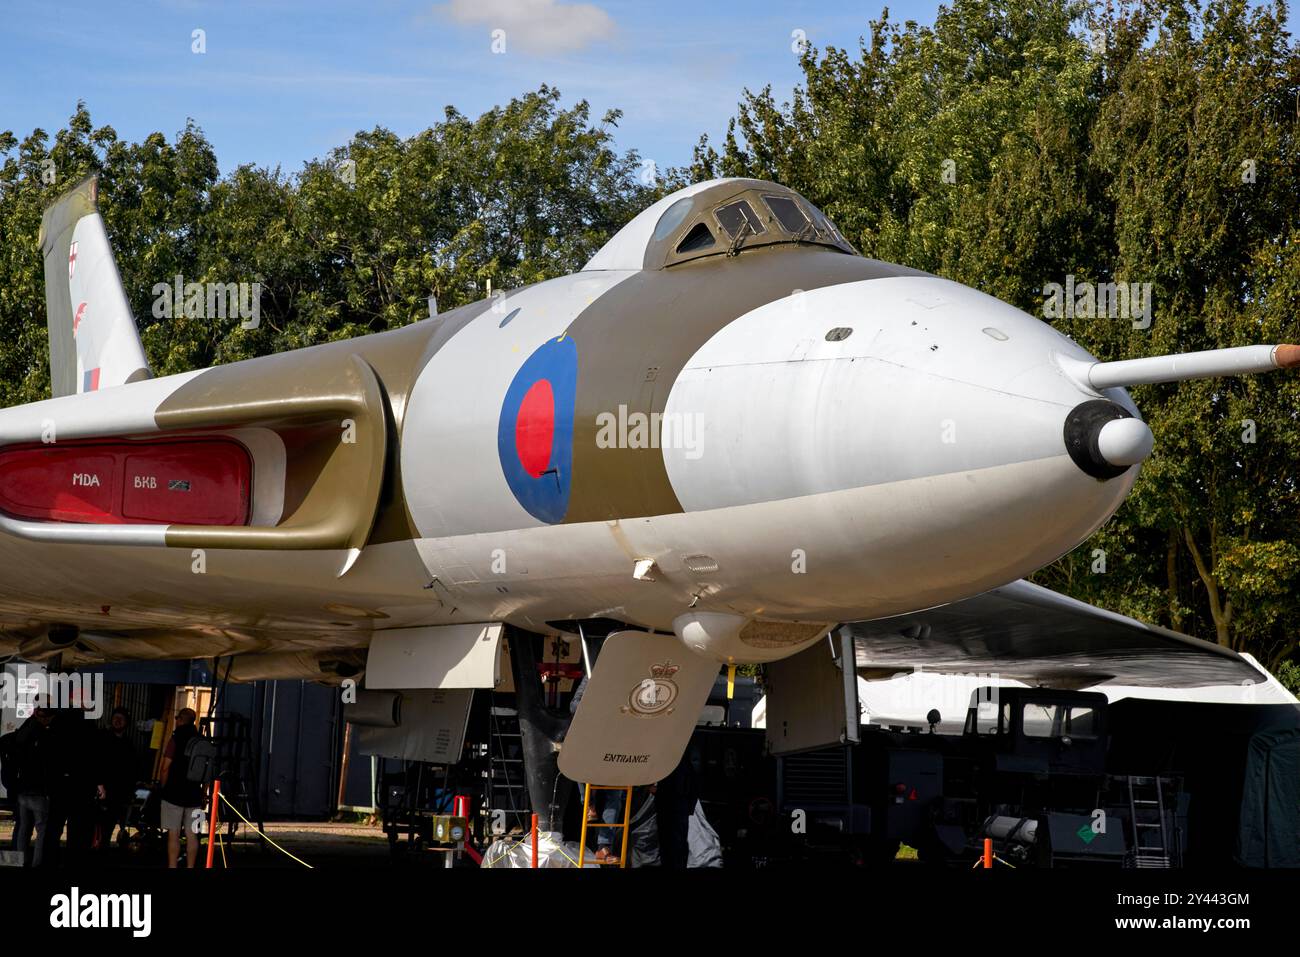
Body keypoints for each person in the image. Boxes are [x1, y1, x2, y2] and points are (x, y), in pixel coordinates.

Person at [44, 694, 105, 867]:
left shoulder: (56, 722)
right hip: (81, 785)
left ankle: (49, 862)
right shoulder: (88, 725)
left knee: (54, 827)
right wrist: (99, 782)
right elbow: (93, 758)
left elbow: (49, 756)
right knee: (78, 829)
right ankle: (73, 863)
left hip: (59, 783)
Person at [158, 708, 206, 868]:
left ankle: (173, 866)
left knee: (174, 834)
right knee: (193, 836)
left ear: (180, 720)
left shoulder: (175, 738)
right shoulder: (202, 740)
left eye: (177, 717)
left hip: (173, 794)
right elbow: (207, 771)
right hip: (194, 795)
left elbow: (165, 766)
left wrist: (163, 787)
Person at [10, 704, 54, 867]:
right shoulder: (46, 735)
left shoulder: (24, 731)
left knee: (23, 827)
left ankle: (20, 862)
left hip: (23, 788)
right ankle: (37, 864)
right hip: (39, 790)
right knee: (41, 829)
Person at [96, 707, 136, 851]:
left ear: (127, 723)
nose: (117, 721)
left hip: (118, 794)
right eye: (115, 717)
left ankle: (102, 852)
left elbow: (131, 770)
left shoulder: (129, 745)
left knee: (108, 828)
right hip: (100, 791)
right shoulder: (102, 738)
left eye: (121, 718)